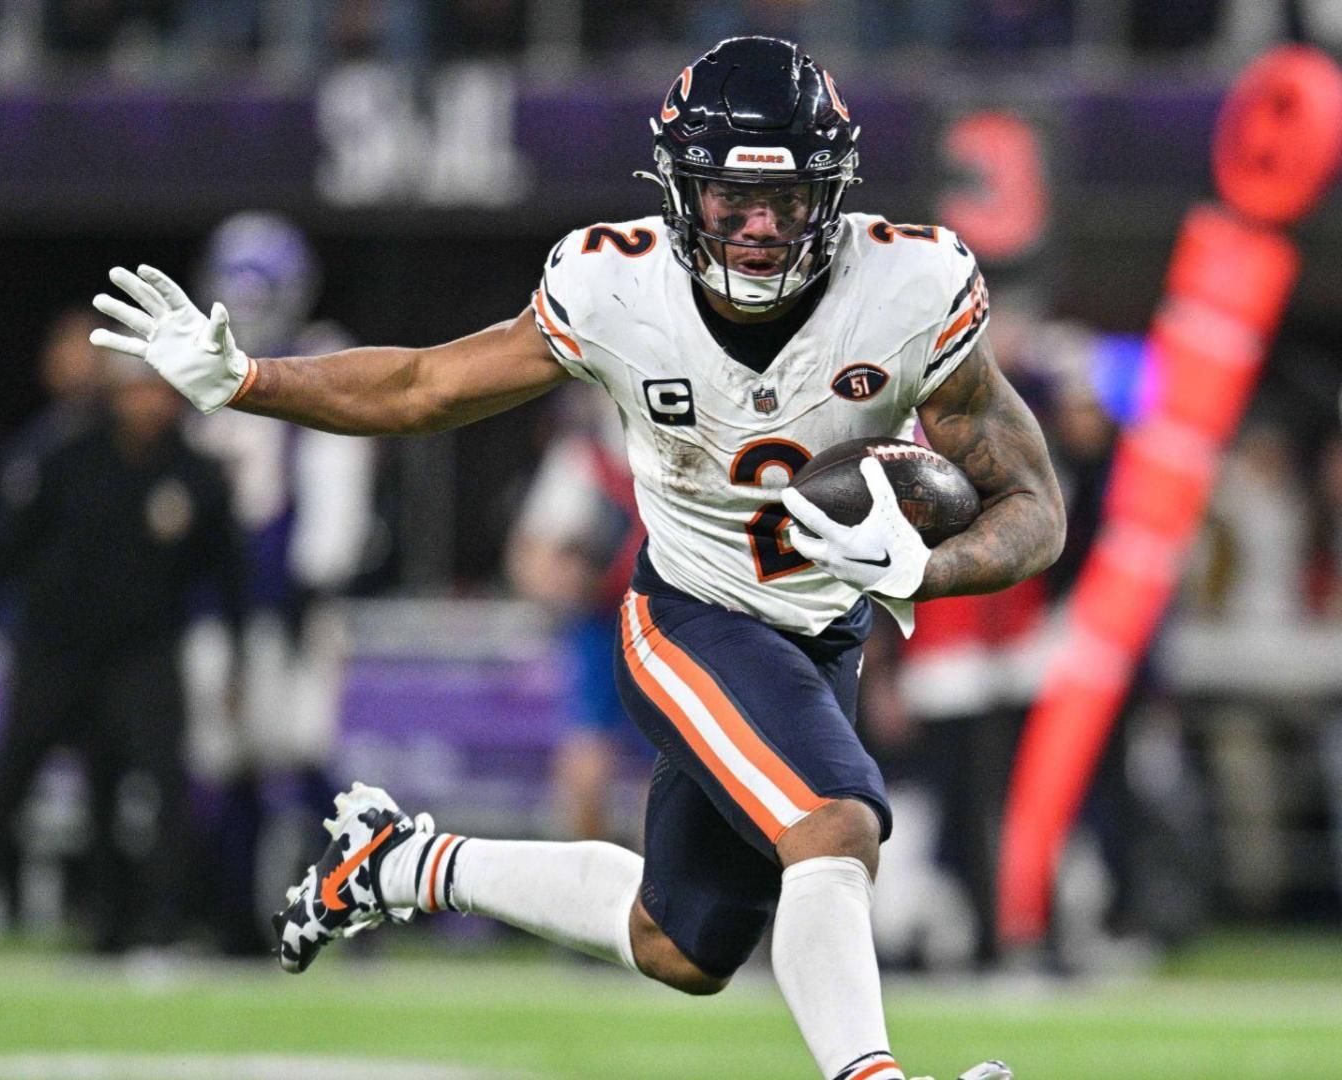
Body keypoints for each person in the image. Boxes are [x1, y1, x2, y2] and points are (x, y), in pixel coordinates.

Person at [91, 37, 1058, 1080]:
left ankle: (405, 862)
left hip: (822, 632)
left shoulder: (911, 285)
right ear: (683, 190)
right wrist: (251, 382)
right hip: (689, 614)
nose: (763, 226)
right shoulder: (615, 288)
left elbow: (1031, 506)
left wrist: (924, 573)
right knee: (832, 825)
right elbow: (425, 387)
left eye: (787, 197)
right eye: (733, 198)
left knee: (679, 945)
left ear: (833, 189)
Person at [0, 354, 247, 953]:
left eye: (159, 393)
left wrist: (237, 655)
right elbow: (14, 540)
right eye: (137, 392)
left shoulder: (196, 472)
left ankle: (157, 926)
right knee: (12, 778)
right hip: (56, 649)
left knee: (161, 786)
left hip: (145, 653)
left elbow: (228, 572)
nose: (149, 405)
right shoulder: (67, 457)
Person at [181, 211, 377, 956]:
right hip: (218, 605)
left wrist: (310, 587)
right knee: (222, 758)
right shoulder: (199, 366)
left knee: (300, 748)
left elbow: (335, 500)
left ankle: (367, 900)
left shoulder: (315, 361)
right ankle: (231, 919)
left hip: (289, 604)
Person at [506, 384, 649, 846]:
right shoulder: (585, 459)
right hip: (605, 624)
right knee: (588, 762)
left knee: (674, 773)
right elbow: (530, 557)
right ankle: (591, 888)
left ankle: (673, 899)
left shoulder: (685, 453)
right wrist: (566, 577)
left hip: (674, 623)